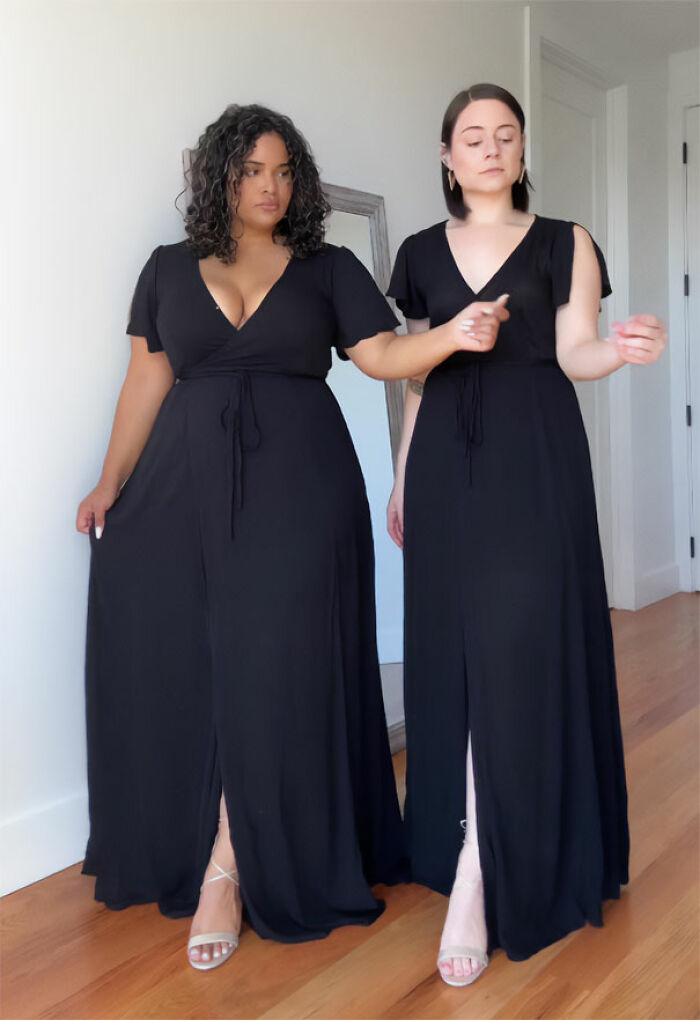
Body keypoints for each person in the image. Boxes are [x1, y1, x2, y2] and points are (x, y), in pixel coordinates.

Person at [76, 103, 501, 971]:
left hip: (303, 489)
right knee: (189, 663)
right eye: (251, 171)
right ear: (220, 177)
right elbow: (145, 380)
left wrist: (450, 337)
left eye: (283, 172)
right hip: (184, 489)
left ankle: (228, 864)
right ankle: (204, 843)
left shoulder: (328, 267)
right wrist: (109, 480)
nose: (270, 187)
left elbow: (380, 356)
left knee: (279, 666)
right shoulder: (166, 269)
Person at [386, 83, 667, 987]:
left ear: (520, 149)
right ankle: (467, 846)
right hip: (443, 465)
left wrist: (620, 350)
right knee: (457, 655)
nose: (490, 147)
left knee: (518, 649)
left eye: (505, 134)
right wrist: (401, 476)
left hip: (536, 458)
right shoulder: (418, 252)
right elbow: (417, 373)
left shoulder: (566, 240)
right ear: (447, 155)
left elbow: (575, 350)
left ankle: (483, 869)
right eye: (472, 136)